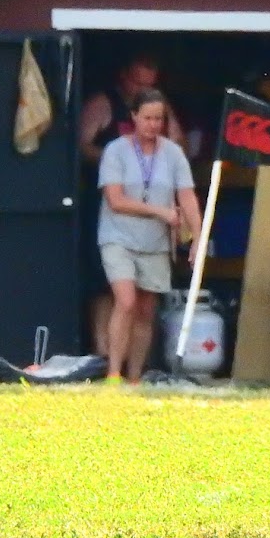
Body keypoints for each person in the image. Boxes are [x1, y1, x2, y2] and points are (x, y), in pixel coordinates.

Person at [78, 54, 186, 358]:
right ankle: (102, 355)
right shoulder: (104, 103)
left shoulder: (156, 110)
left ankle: (133, 368)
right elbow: (80, 145)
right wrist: (121, 162)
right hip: (109, 207)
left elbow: (178, 147)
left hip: (151, 211)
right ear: (124, 77)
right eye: (138, 83)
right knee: (105, 286)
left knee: (143, 294)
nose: (143, 89)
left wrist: (166, 114)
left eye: (150, 85)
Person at [97, 88, 202, 382]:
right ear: (133, 117)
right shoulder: (115, 151)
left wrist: (197, 236)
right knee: (126, 300)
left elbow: (188, 197)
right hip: (118, 237)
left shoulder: (173, 153)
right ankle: (114, 374)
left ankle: (134, 377)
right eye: (148, 118)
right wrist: (160, 212)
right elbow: (115, 201)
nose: (154, 125)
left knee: (145, 310)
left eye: (159, 119)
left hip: (154, 242)